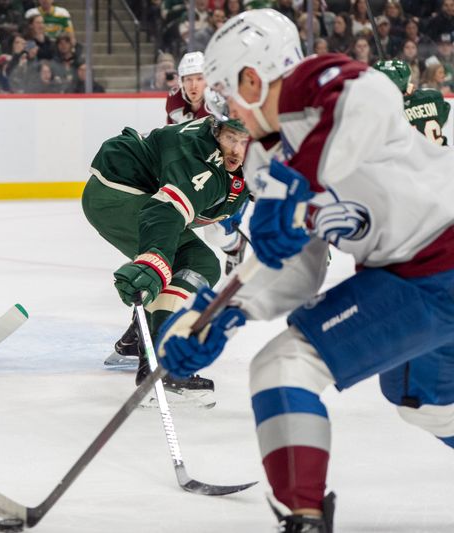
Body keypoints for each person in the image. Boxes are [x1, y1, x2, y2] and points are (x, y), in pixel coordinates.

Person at [158, 9, 454, 531]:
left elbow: (366, 103)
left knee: (282, 369)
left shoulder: (328, 82)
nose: (229, 112)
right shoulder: (263, 162)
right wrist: (224, 311)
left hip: (434, 266)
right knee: (424, 401)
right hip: (412, 277)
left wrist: (293, 184)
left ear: (253, 79)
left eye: (228, 93)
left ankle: (304, 517)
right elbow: (293, 268)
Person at [81, 115, 250, 395]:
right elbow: (165, 212)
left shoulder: (258, 150)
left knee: (179, 264)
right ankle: (162, 363)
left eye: (245, 141)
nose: (236, 150)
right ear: (217, 131)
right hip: (118, 192)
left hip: (131, 190)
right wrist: (154, 259)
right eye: (230, 138)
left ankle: (139, 339)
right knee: (195, 262)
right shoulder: (200, 160)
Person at [374, 59, 451, 145]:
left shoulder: (387, 109)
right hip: (442, 154)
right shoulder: (433, 96)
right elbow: (443, 118)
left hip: (411, 157)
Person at [166, 51, 209, 124]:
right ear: (182, 82)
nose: (193, 85)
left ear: (207, 81)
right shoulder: (174, 102)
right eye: (188, 79)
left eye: (199, 79)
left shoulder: (218, 104)